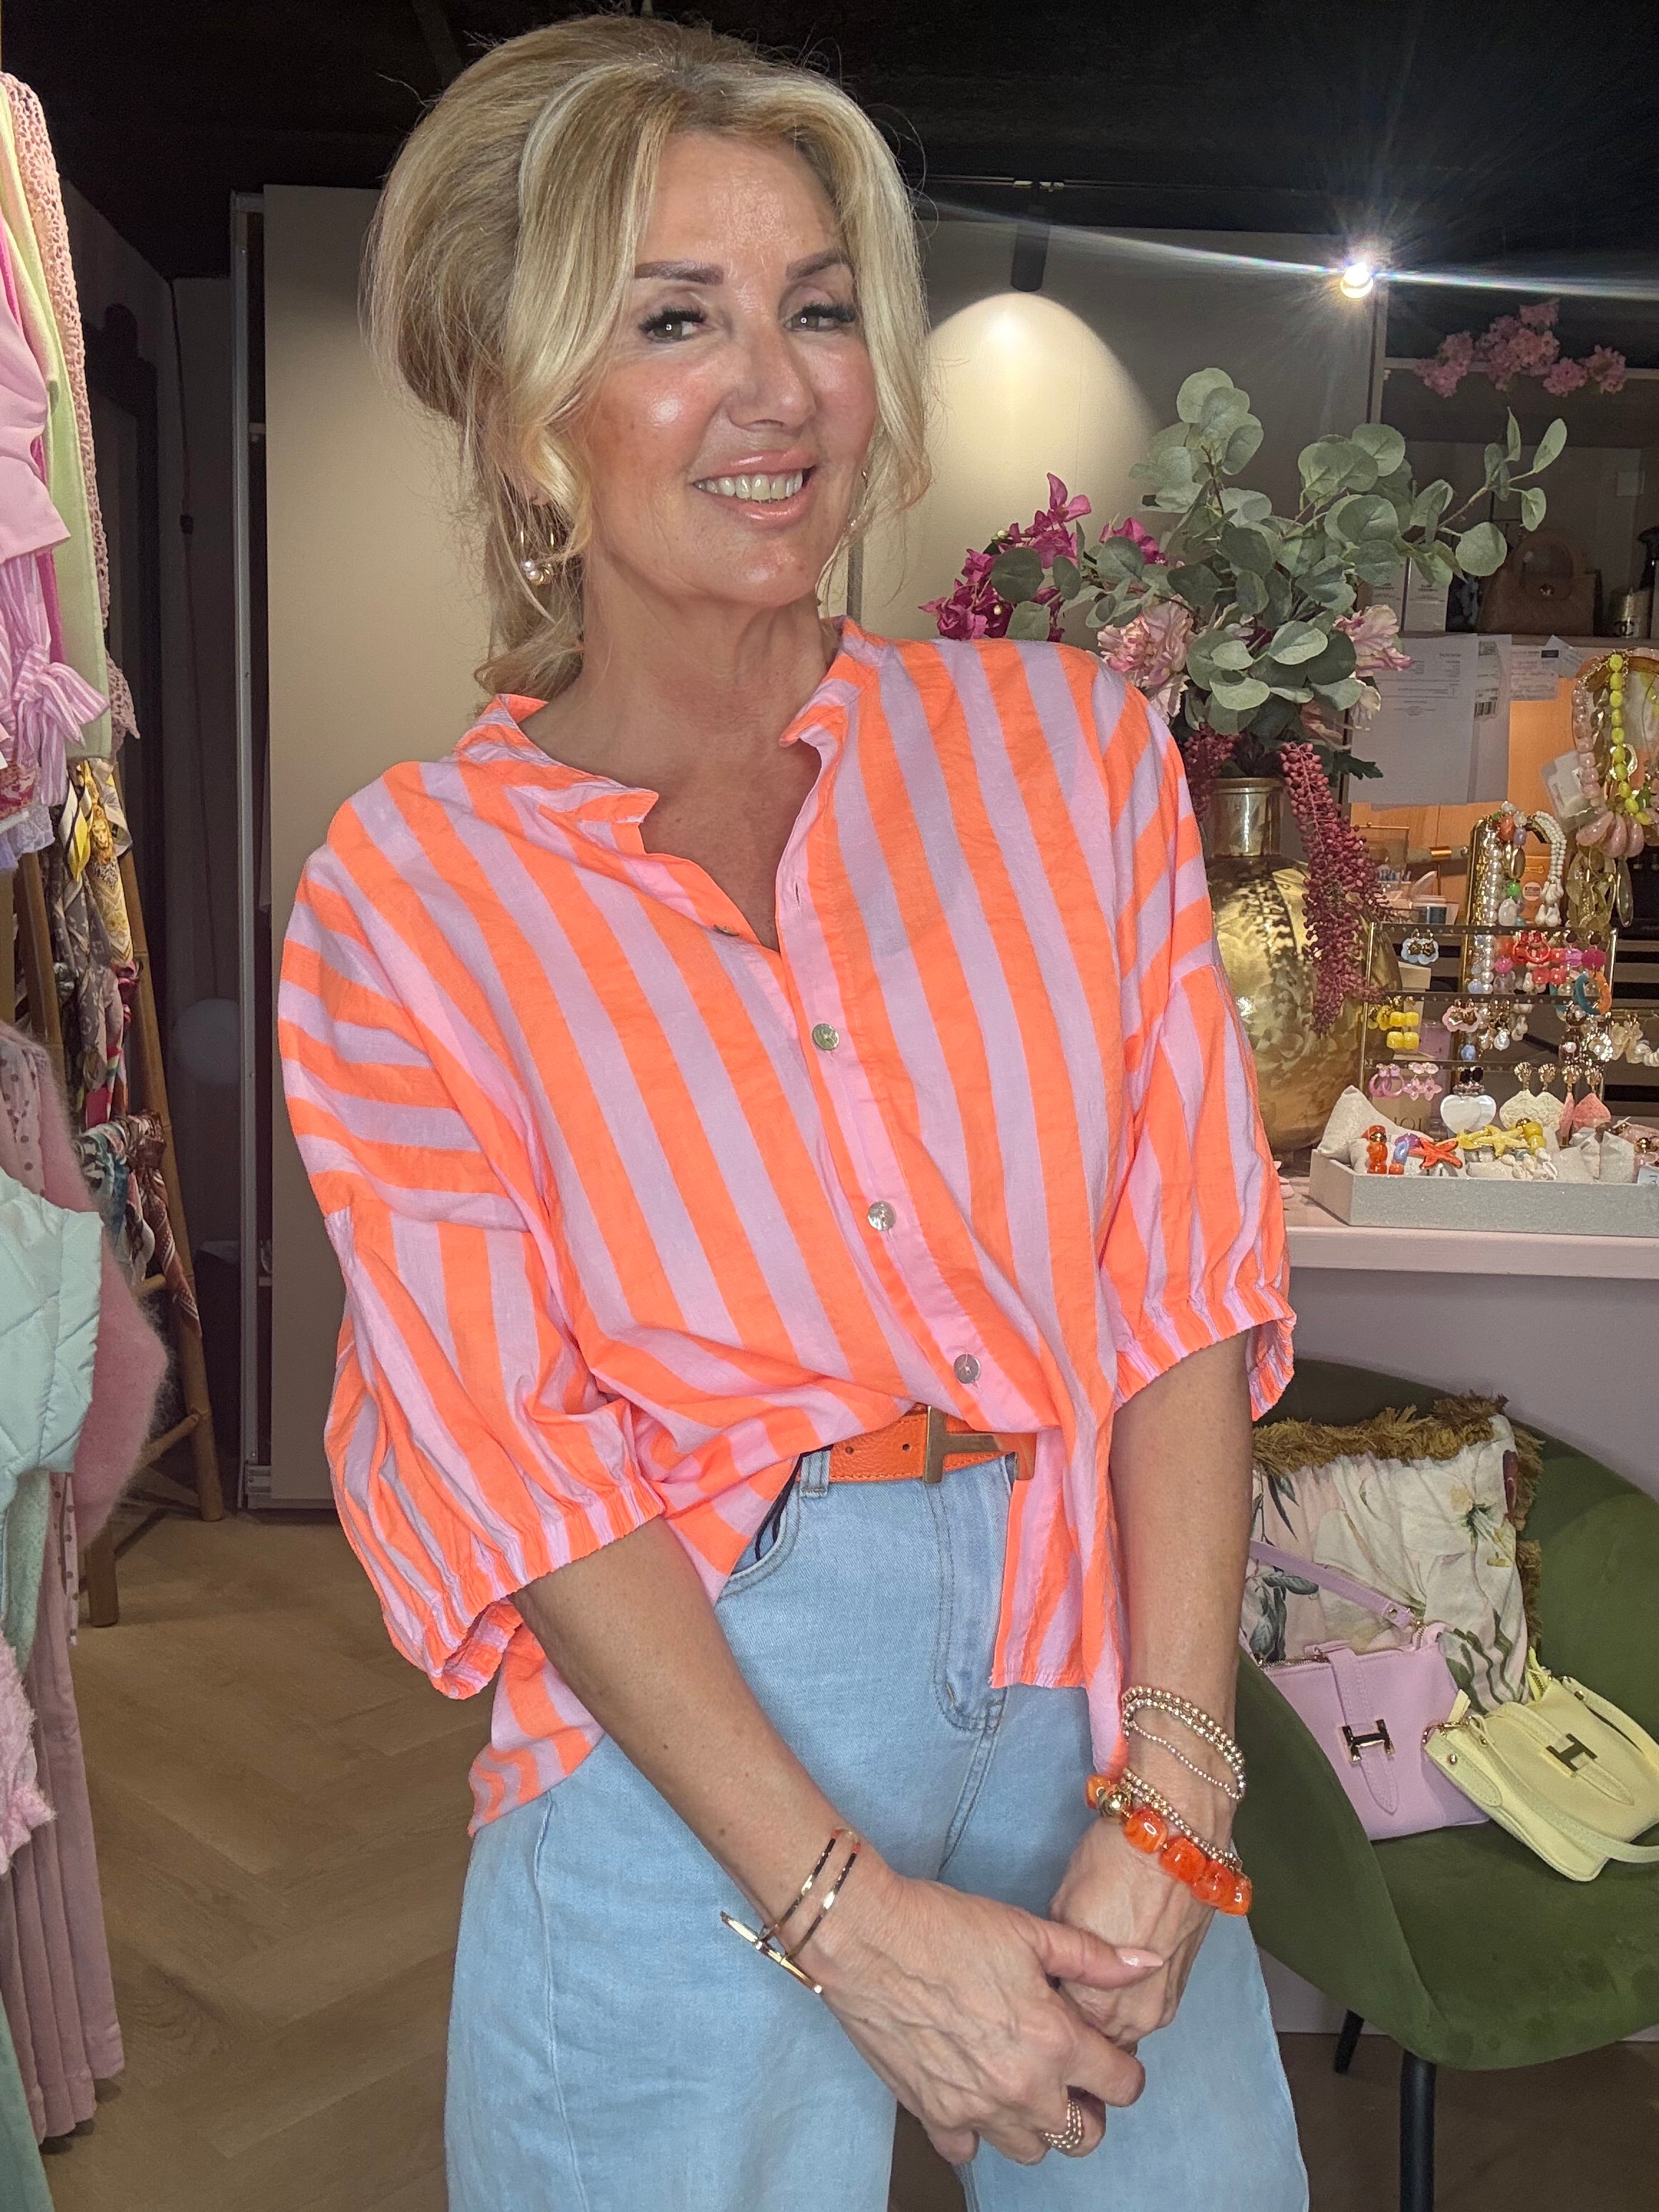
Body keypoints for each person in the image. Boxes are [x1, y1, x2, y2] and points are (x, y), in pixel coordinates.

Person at [277, 17, 1307, 2209]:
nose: (779, 389)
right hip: (684, 1722)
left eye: (819, 308)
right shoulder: (410, 898)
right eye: (675, 320)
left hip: (1082, 1675)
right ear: (528, 412)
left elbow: (1181, 1282)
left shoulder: (1066, 759)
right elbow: (514, 1457)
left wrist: (1179, 1779)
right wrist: (844, 1922)